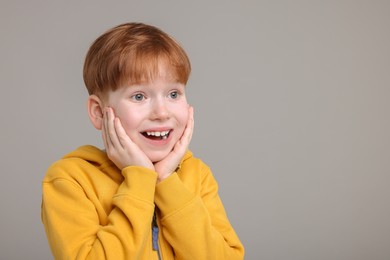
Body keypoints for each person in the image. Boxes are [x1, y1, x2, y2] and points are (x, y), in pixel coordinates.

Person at [41, 22, 244, 259]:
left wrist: (166, 181)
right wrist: (140, 179)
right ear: (98, 112)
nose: (162, 112)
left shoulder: (196, 175)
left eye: (173, 94)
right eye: (139, 96)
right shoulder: (70, 180)